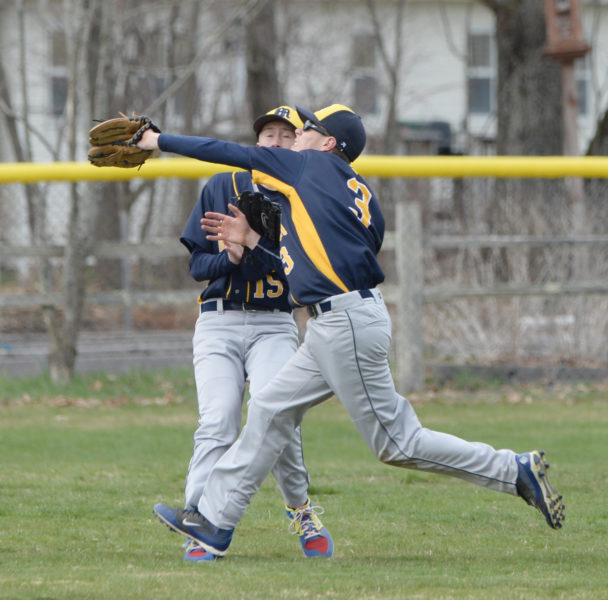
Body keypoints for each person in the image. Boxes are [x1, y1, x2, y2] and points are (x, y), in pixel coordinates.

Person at [138, 104, 565, 559]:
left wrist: (156, 142)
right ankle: (213, 521)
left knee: (397, 443)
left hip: (344, 323)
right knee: (268, 409)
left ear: (326, 144)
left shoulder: (305, 165)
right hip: (339, 321)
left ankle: (513, 470)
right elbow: (364, 243)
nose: (298, 135)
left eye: (309, 130)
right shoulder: (359, 190)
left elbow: (223, 151)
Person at [176, 106, 333, 561]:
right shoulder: (223, 186)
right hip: (218, 322)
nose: (278, 142)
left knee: (275, 413)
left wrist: (251, 244)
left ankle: (301, 509)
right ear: (257, 142)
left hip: (274, 322)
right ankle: (198, 520)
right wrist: (232, 257)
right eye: (269, 134)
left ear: (301, 143)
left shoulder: (305, 195)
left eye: (288, 134)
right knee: (218, 420)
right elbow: (197, 266)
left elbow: (294, 276)